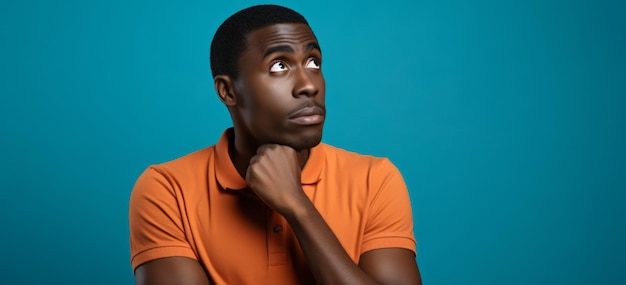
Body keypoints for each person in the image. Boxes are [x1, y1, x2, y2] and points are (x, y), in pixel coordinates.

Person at [129, 4, 421, 285]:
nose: (309, 85)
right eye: (280, 66)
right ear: (228, 91)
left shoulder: (375, 179)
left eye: (313, 62)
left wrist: (297, 207)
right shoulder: (167, 189)